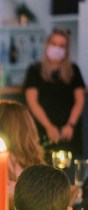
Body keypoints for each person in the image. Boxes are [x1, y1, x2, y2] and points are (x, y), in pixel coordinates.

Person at [23, 28, 85, 158]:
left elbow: (79, 100)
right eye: (54, 44)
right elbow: (32, 102)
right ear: (47, 45)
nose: (57, 48)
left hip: (69, 133)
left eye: (62, 46)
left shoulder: (74, 70)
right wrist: (49, 127)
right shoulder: (34, 71)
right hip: (43, 132)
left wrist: (70, 125)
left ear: (66, 50)